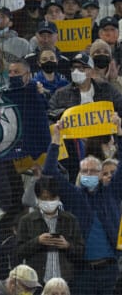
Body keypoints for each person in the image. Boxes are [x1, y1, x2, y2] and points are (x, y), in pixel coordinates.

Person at [43, 118, 122, 295]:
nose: (89, 174)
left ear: (101, 174)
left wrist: (119, 132)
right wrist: (56, 139)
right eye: (84, 171)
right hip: (82, 272)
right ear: (80, 173)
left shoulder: (112, 193)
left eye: (93, 171)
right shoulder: (75, 196)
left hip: (110, 270)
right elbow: (49, 171)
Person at [15, 176, 83, 283]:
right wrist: (37, 241)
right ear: (37, 198)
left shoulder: (70, 220)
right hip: (36, 282)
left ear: (58, 197)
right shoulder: (26, 220)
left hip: (64, 283)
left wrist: (67, 246)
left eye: (52, 198)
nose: (48, 202)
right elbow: (18, 252)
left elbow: (81, 251)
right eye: (44, 198)